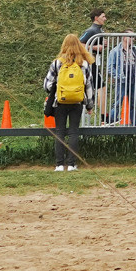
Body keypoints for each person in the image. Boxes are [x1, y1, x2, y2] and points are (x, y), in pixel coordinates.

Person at [42, 33, 94, 171]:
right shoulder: (84, 64)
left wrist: (56, 89)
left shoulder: (57, 63)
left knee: (59, 132)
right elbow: (88, 86)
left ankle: (59, 164)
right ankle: (71, 164)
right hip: (77, 102)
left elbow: (47, 85)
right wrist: (89, 105)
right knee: (73, 132)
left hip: (60, 102)